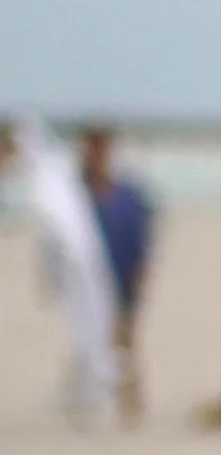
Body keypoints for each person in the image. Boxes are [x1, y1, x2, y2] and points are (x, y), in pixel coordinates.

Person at [5, 115, 119, 421]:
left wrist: (52, 276)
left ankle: (97, 390)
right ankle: (93, 390)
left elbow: (60, 234)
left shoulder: (48, 180)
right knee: (94, 327)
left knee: (94, 327)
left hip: (81, 264)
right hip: (84, 262)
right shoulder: (54, 173)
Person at [79, 127, 155, 424]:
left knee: (124, 340)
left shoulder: (125, 194)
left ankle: (129, 401)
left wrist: (140, 273)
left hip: (121, 275)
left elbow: (142, 236)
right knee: (91, 340)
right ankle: (95, 398)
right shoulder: (79, 194)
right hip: (90, 280)